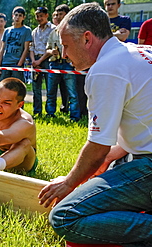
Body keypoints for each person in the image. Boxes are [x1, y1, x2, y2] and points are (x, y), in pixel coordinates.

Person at [38, 3, 152, 246]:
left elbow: (98, 146)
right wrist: (104, 163)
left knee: (64, 217)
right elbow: (142, 128)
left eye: (66, 45)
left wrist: (69, 183)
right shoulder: (138, 52)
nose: (64, 54)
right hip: (143, 157)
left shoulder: (105, 70)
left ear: (87, 38)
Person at [45, 4, 80, 121]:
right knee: (51, 92)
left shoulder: (73, 30)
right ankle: (50, 113)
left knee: (72, 92)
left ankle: (74, 116)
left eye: (61, 14)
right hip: (54, 64)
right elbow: (47, 48)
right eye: (56, 14)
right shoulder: (53, 32)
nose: (58, 17)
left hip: (68, 63)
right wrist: (51, 51)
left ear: (67, 15)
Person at [29, 6, 56, 116]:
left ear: (46, 15)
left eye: (41, 16)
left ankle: (50, 112)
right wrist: (33, 61)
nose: (39, 18)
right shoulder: (34, 31)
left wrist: (40, 60)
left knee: (50, 88)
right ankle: (37, 111)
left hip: (47, 60)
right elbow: (31, 47)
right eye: (37, 16)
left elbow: (52, 47)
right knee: (36, 88)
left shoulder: (53, 29)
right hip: (35, 60)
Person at [0, 6, 32, 84]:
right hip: (5, 62)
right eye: (16, 15)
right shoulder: (7, 30)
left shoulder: (26, 30)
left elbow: (26, 48)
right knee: (3, 84)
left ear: (23, 17)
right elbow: (2, 48)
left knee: (17, 86)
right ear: (13, 16)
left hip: (17, 63)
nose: (17, 17)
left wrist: (20, 62)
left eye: (20, 15)